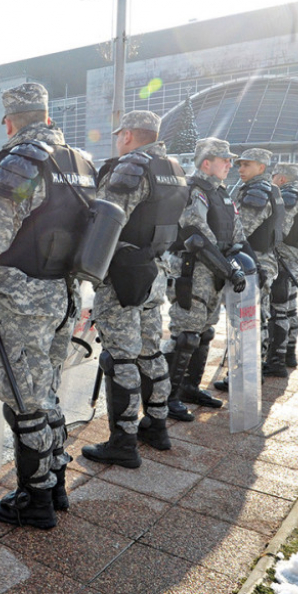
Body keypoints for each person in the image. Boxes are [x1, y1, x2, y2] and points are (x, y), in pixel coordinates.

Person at [0, 82, 94, 523]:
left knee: (23, 399)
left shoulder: (23, 160)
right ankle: (56, 482)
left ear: (10, 121)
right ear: (45, 115)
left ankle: (36, 499)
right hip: (63, 294)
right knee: (45, 391)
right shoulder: (79, 160)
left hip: (23, 297)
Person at [80, 110, 188, 468]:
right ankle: (156, 426)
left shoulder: (131, 166)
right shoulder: (172, 167)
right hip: (155, 271)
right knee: (150, 352)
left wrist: (86, 269)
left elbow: (107, 218)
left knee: (120, 357)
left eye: (118, 134)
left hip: (124, 273)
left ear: (127, 135)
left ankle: (123, 442)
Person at [166, 138, 247, 409]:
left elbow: (237, 234)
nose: (229, 164)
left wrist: (243, 263)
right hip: (193, 271)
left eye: (230, 159)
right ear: (206, 162)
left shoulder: (222, 193)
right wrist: (229, 270)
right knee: (186, 333)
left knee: (204, 333)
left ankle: (190, 388)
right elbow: (198, 235)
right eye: (224, 159)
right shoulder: (194, 190)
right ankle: (168, 397)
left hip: (215, 273)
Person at [233, 148, 284, 377]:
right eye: (240, 165)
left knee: (249, 318)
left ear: (261, 168)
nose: (241, 169)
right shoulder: (269, 189)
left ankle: (249, 372)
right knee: (257, 315)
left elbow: (239, 231)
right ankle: (254, 368)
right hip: (262, 260)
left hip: (254, 262)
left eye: (247, 165)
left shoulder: (257, 193)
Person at [269, 162, 298, 373]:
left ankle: (276, 359)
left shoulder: (287, 197)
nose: (272, 178)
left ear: (282, 179)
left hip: (284, 260)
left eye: (274, 175)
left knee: (279, 311)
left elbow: (280, 230)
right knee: (291, 309)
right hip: (296, 259)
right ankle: (290, 353)